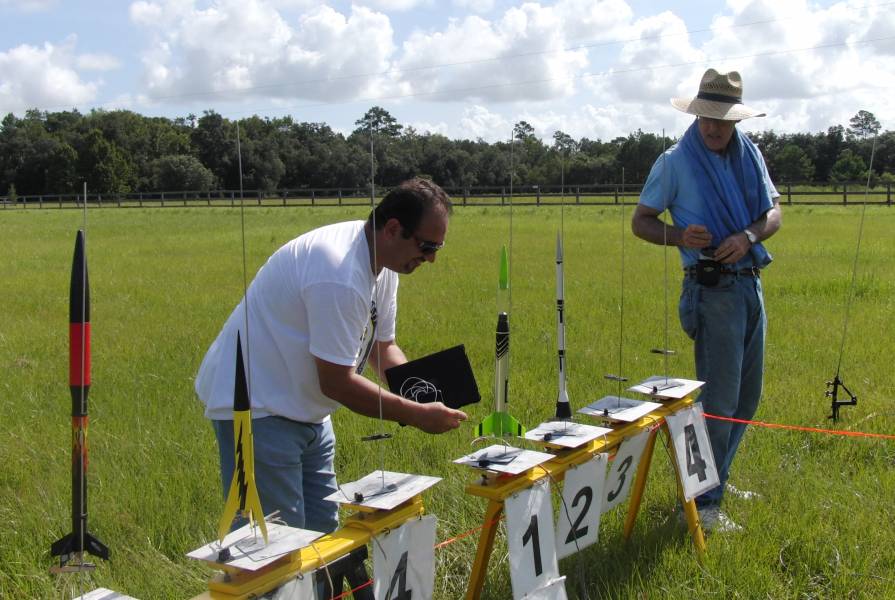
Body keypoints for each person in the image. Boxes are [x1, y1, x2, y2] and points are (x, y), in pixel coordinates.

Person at [195, 177, 468, 534]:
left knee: (323, 534)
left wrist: (422, 392)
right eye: (427, 246)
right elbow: (337, 383)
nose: (431, 258)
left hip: (306, 410)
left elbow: (382, 347)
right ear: (392, 228)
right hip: (257, 407)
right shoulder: (340, 273)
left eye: (438, 248)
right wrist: (417, 415)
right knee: (274, 544)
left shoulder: (383, 266)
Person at [632, 69, 782, 532]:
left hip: (750, 283)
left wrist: (747, 235)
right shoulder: (675, 162)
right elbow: (641, 221)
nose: (713, 127)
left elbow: (773, 213)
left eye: (722, 119)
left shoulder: (750, 154)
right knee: (718, 401)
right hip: (711, 288)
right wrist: (679, 235)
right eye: (706, 117)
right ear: (695, 114)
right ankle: (702, 505)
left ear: (736, 120)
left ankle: (719, 477)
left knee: (747, 398)